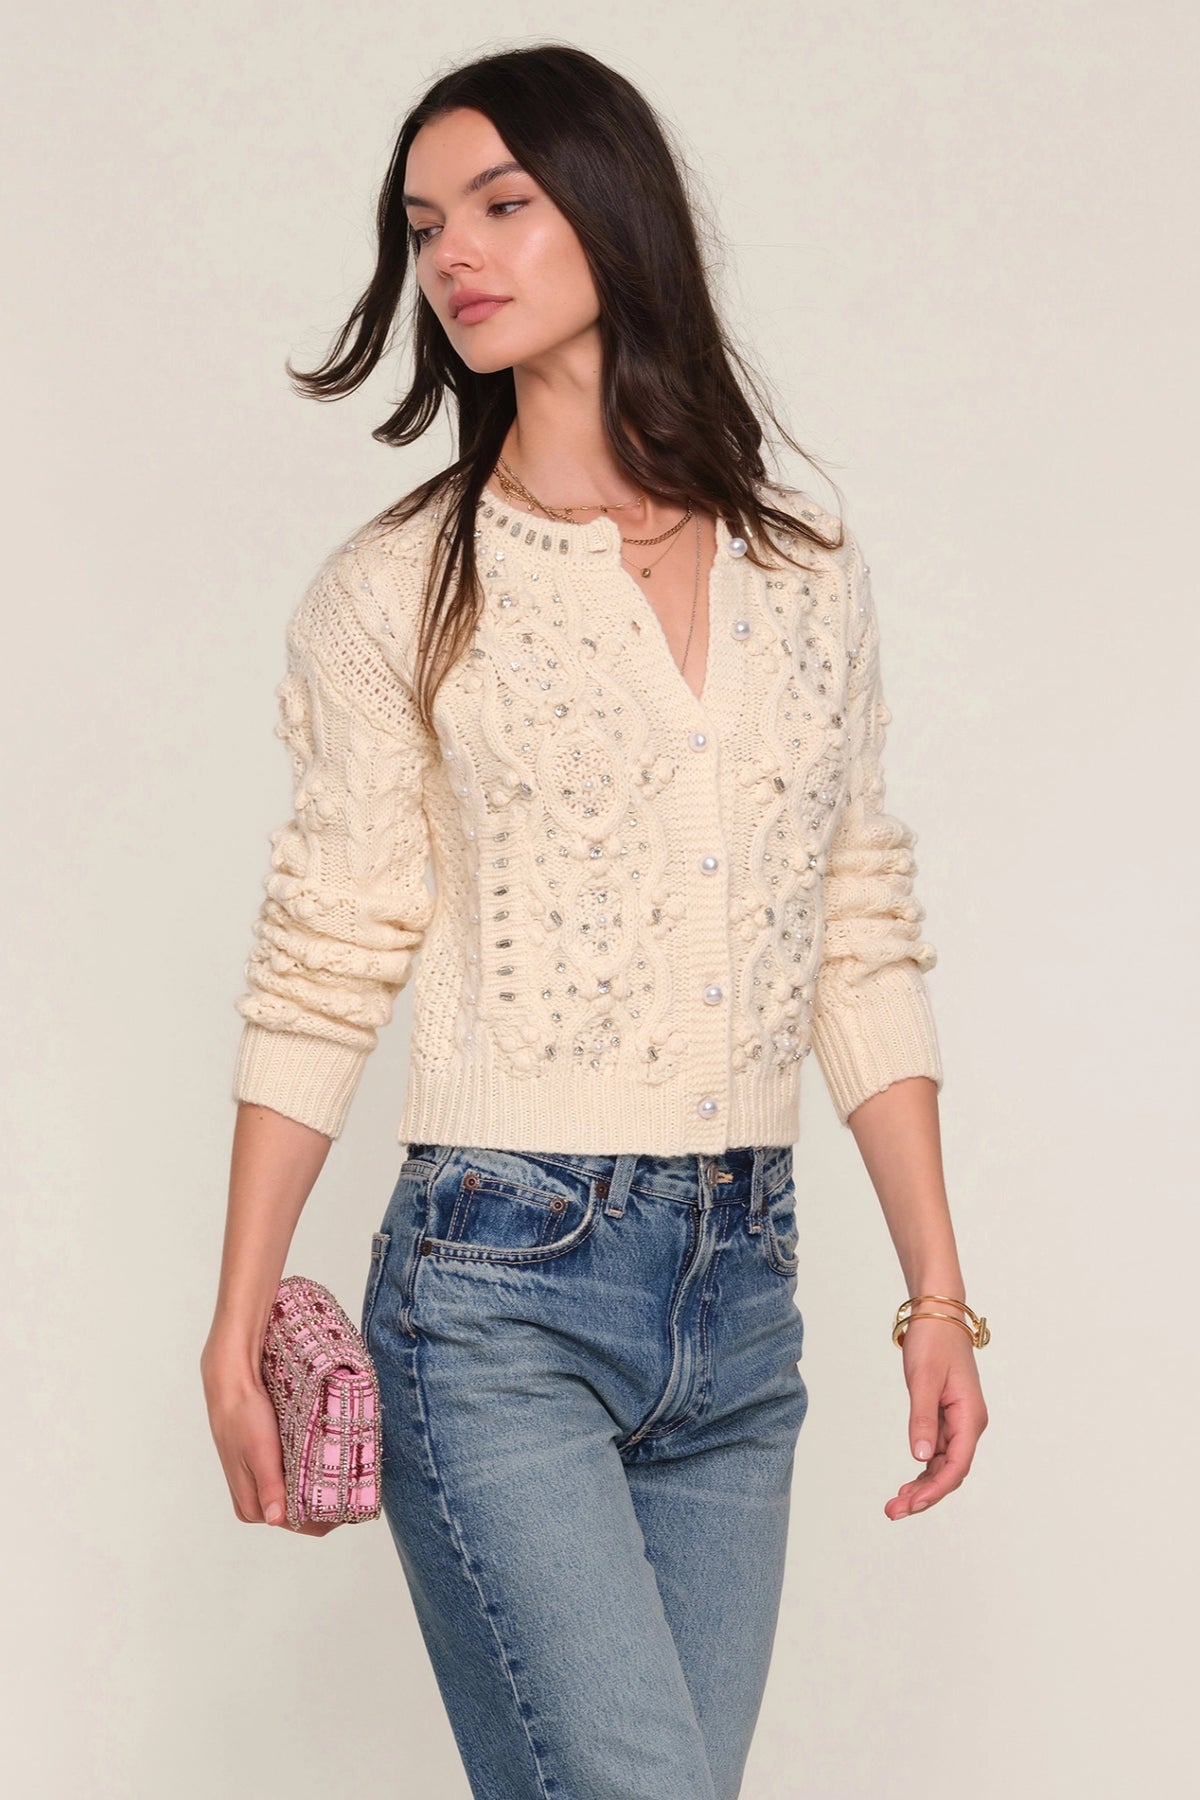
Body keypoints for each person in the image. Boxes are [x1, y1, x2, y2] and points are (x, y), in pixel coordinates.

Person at [201, 42, 989, 1800]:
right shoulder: (399, 590)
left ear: (613, 211)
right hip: (497, 1294)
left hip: (747, 1299)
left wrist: (937, 1293)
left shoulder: (804, 567)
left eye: (501, 204)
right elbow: (326, 952)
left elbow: (855, 924)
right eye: (425, 226)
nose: (455, 257)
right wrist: (238, 1309)